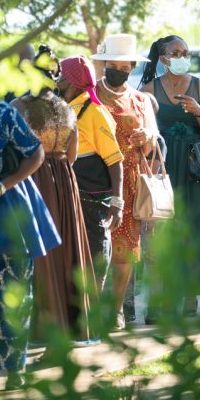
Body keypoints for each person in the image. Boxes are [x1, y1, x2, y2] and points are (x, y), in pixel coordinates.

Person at [140, 34, 200, 319]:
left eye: (185, 52)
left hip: (194, 168)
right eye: (175, 52)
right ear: (162, 58)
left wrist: (197, 111)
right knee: (162, 236)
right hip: (164, 169)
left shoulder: (198, 85)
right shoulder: (149, 89)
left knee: (194, 232)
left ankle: (191, 296)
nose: (182, 57)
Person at [0, 99, 61, 391]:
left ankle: (15, 368)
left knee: (15, 290)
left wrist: (1, 186)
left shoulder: (6, 114)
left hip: (6, 204)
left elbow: (36, 154)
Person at [11, 46, 96, 342]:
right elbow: (72, 155)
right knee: (66, 246)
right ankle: (72, 321)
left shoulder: (19, 107)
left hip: (33, 177)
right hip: (64, 178)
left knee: (38, 249)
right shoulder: (67, 109)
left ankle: (43, 321)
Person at [91, 34, 159, 330]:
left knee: (125, 250)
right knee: (94, 248)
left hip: (130, 183)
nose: (118, 70)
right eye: (112, 65)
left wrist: (146, 138)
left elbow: (152, 145)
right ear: (104, 64)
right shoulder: (89, 95)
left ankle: (115, 310)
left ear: (131, 66)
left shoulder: (141, 100)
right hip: (94, 180)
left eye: (124, 66)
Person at [56, 56, 124, 291]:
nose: (58, 78)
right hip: (71, 192)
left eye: (62, 74)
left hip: (93, 197)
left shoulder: (93, 111)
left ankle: (95, 311)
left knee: (95, 252)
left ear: (73, 80)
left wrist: (117, 201)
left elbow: (114, 160)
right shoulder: (66, 108)